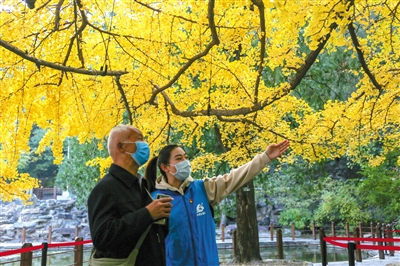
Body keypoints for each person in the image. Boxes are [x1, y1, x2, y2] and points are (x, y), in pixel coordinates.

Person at [145, 139, 290, 266]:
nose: (185, 162)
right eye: (179, 158)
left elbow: (234, 177)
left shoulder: (203, 189)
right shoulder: (156, 199)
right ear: (165, 167)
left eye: (186, 157)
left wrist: (264, 158)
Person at [87, 125, 173, 266]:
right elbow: (101, 237)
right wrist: (147, 214)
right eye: (139, 140)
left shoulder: (141, 185)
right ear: (121, 147)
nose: (145, 145)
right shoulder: (104, 189)